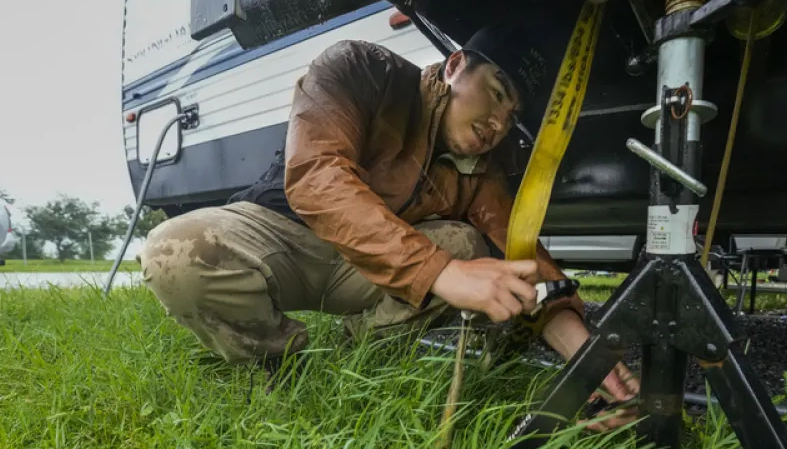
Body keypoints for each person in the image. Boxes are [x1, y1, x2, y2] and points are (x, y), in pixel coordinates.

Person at [139, 22, 638, 421]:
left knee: (467, 243)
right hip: (282, 234)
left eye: (512, 116)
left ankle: (359, 359)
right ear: (456, 65)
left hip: (364, 268)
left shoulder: (481, 166)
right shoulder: (359, 68)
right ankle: (277, 373)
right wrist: (441, 273)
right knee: (173, 252)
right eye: (496, 91)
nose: (498, 124)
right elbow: (316, 176)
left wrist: (580, 348)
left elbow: (517, 247)